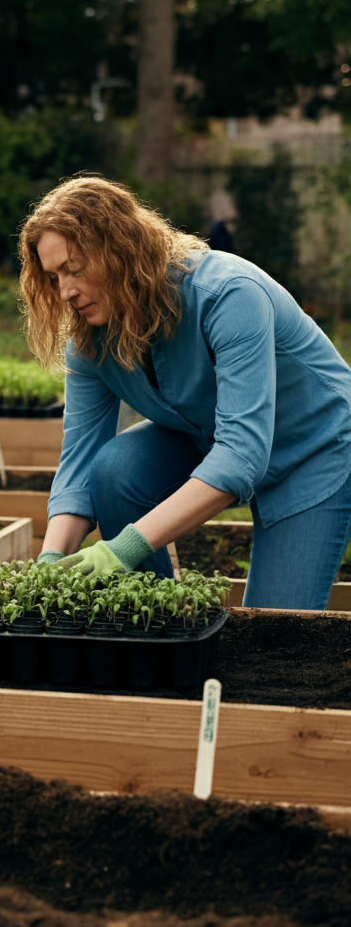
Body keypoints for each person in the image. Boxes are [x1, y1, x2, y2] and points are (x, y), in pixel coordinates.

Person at [19, 176, 351, 610]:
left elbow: (239, 456)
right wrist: (50, 559)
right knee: (114, 470)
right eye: (54, 276)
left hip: (310, 448)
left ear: (119, 250)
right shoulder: (89, 339)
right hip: (208, 436)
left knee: (271, 634)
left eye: (75, 269)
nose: (65, 291)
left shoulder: (227, 294)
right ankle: (159, 623)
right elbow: (79, 462)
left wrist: (123, 548)